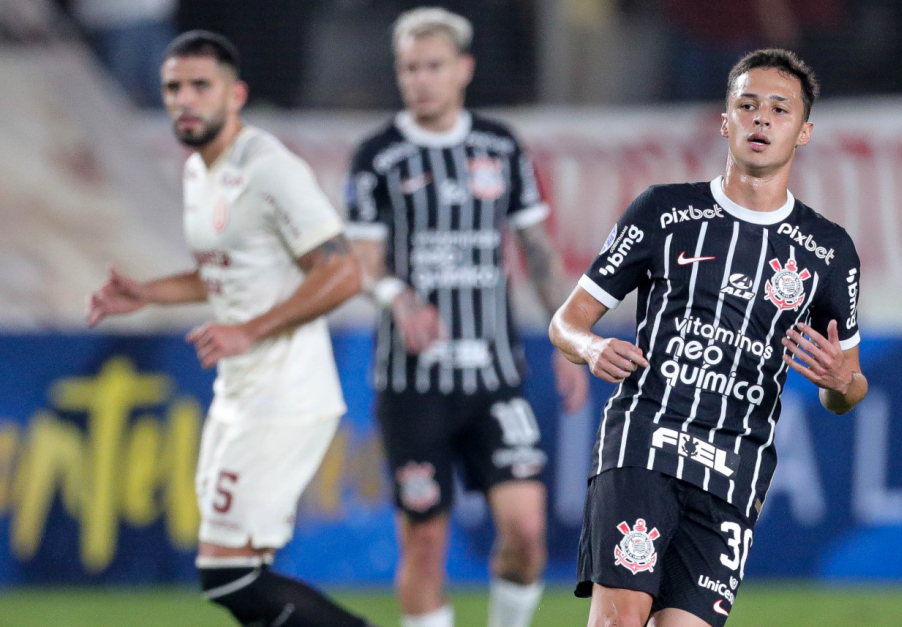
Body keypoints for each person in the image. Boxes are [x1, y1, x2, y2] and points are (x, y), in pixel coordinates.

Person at [550, 49, 868, 627]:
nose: (762, 119)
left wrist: (845, 384)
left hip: (734, 466)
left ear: (804, 131)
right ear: (726, 121)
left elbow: (845, 386)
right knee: (618, 620)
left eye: (779, 108)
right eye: (747, 105)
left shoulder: (828, 251)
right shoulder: (663, 212)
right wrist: (593, 347)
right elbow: (566, 322)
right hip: (645, 439)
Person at [86, 30, 373, 627]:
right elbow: (228, 271)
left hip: (284, 393)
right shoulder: (199, 172)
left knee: (227, 575)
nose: (184, 99)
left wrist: (252, 330)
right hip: (240, 393)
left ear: (235, 94)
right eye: (173, 88)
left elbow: (345, 272)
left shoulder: (269, 168)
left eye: (200, 86)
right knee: (244, 573)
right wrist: (149, 292)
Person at [344, 8, 589, 627]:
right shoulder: (378, 156)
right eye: (409, 68)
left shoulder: (500, 146)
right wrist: (398, 297)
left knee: (527, 533)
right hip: (412, 385)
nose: (420, 79)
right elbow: (363, 261)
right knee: (424, 546)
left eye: (433, 67)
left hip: (494, 378)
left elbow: (538, 252)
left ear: (463, 70)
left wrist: (570, 337)